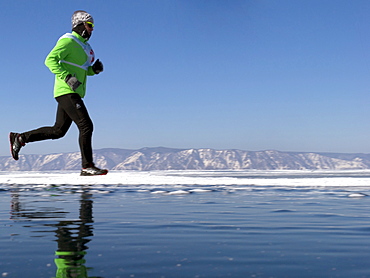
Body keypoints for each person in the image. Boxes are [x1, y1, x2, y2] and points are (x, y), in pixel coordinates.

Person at [9, 10, 108, 176]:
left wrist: (93, 70)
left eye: (93, 26)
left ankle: (20, 138)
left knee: (58, 131)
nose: (92, 29)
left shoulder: (85, 47)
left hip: (74, 91)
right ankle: (87, 166)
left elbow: (83, 70)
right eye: (89, 25)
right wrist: (67, 77)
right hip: (66, 91)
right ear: (80, 25)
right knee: (86, 126)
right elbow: (50, 60)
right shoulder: (68, 41)